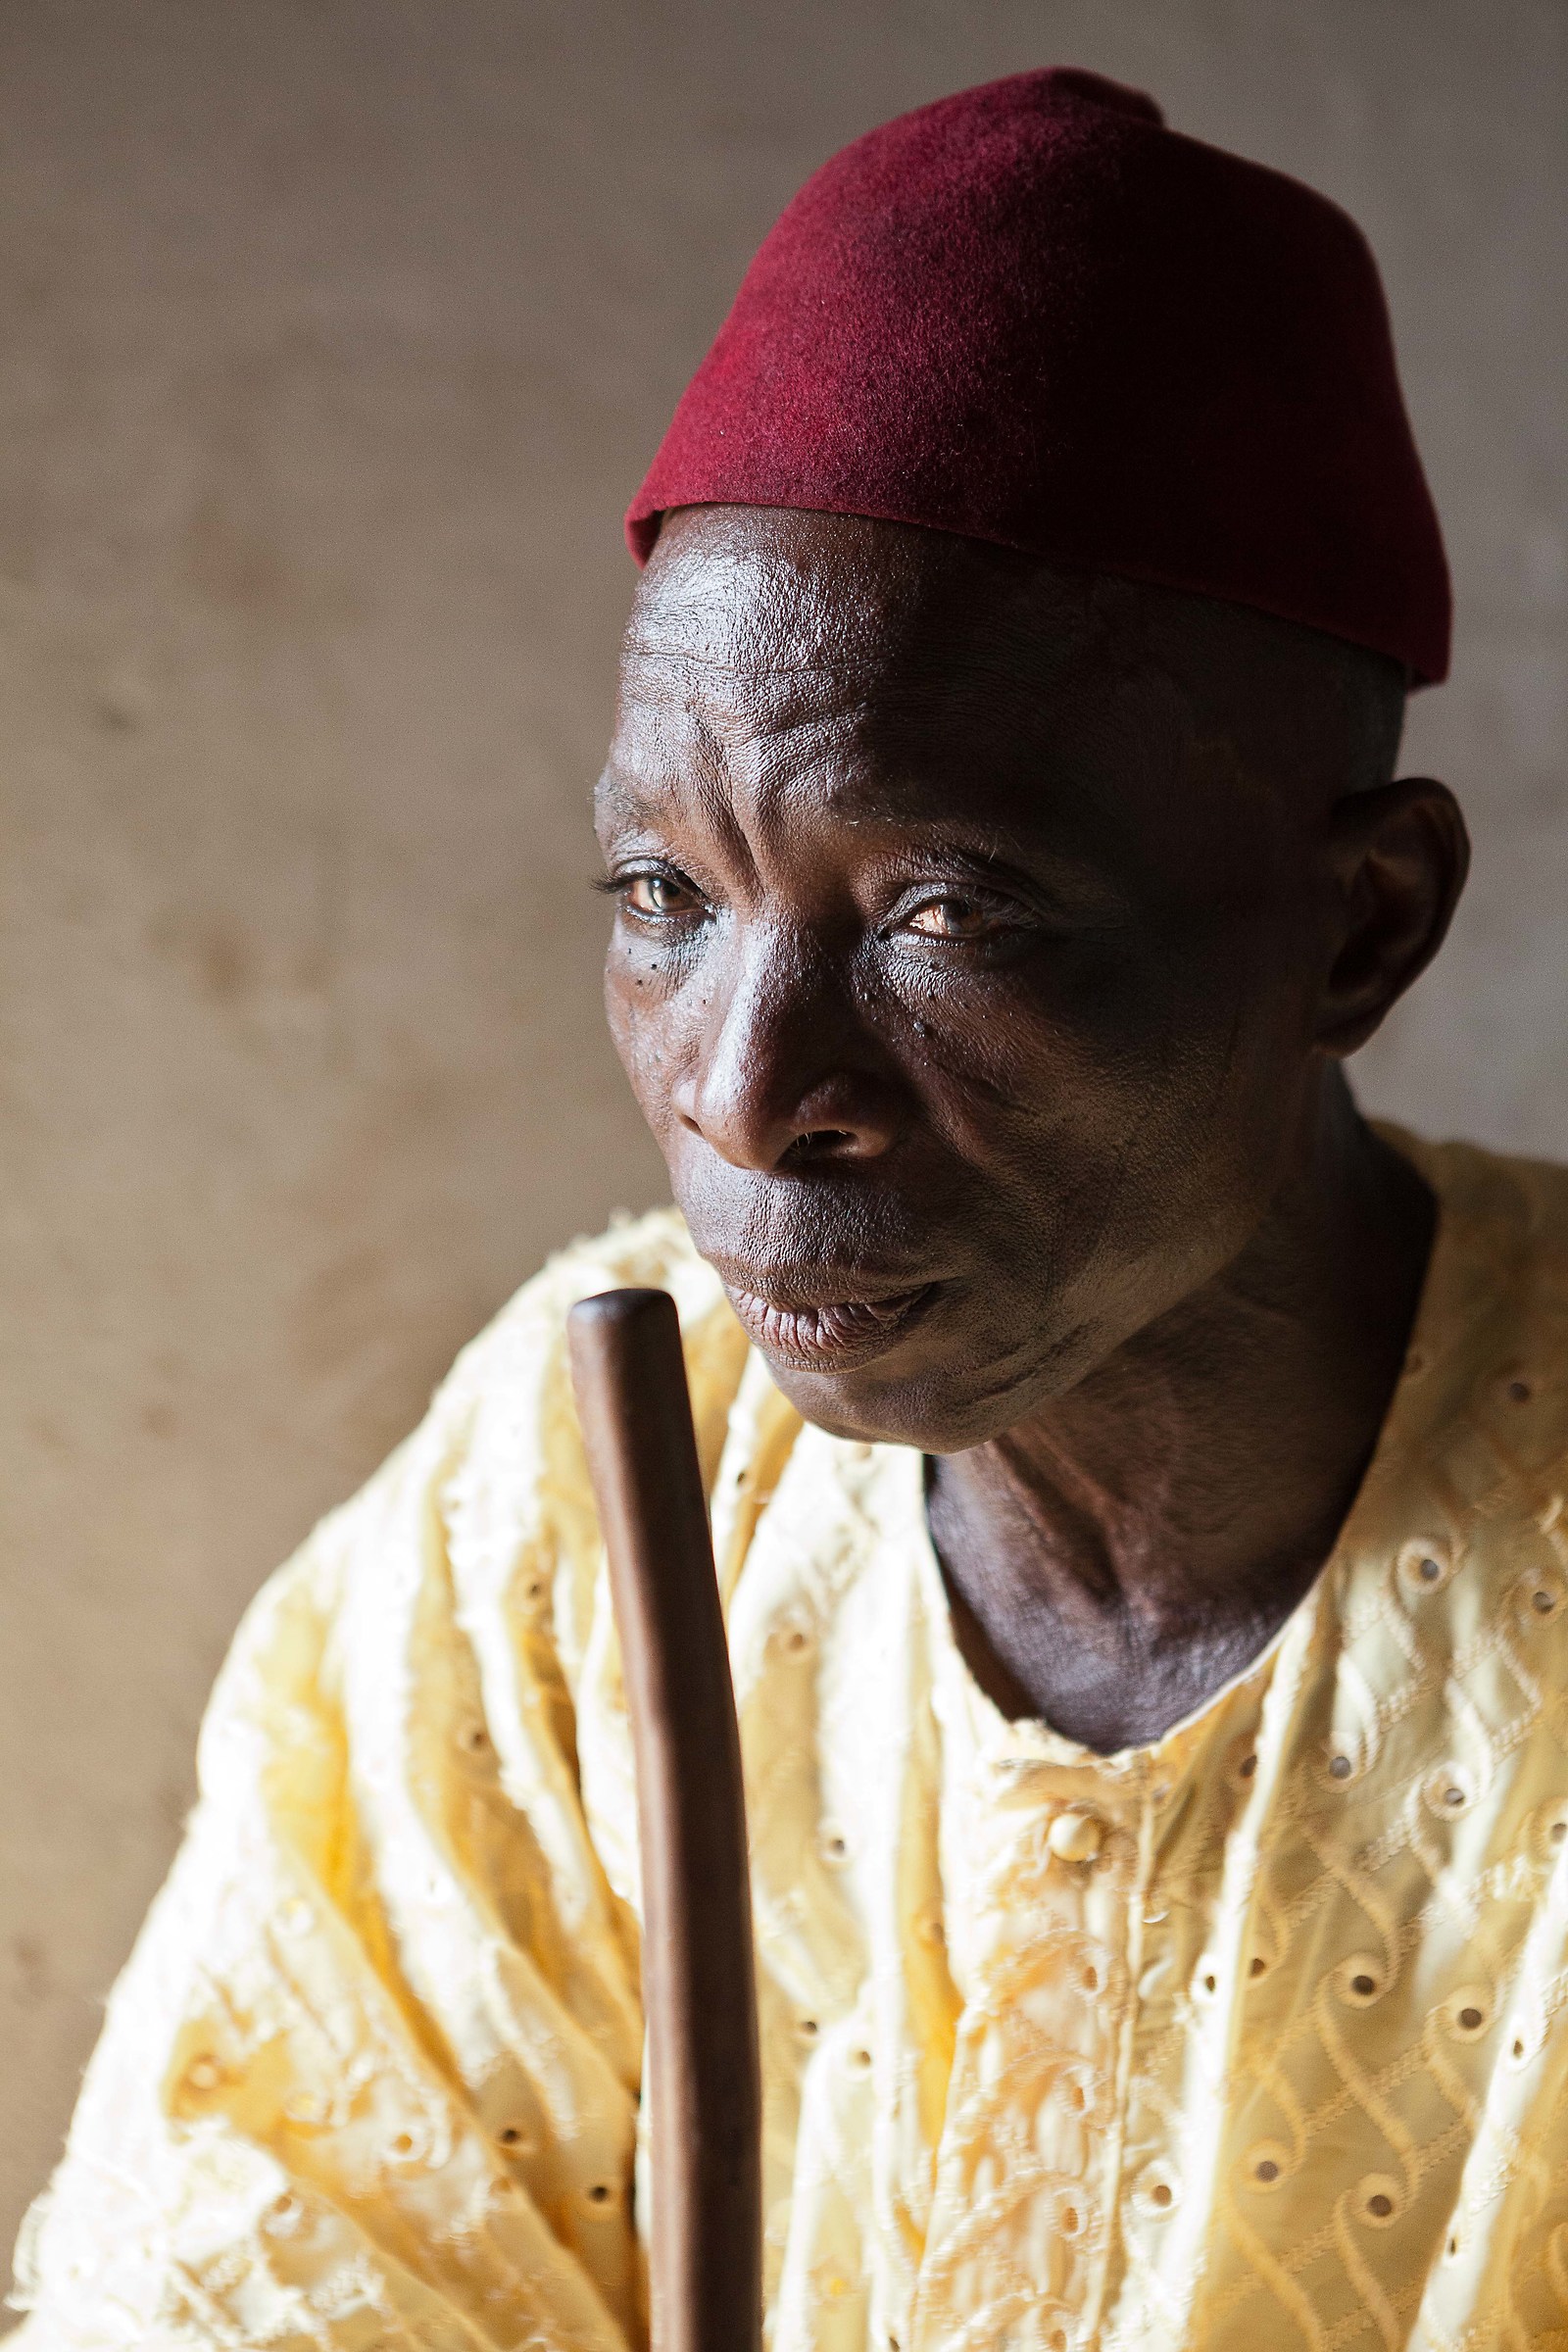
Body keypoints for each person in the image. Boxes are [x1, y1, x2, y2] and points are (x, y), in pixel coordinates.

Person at [9, 65, 1564, 2352]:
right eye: (663, 892)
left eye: (944, 913)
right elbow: (247, 2253)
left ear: (1355, 931)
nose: (743, 1099)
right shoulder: (552, 1519)